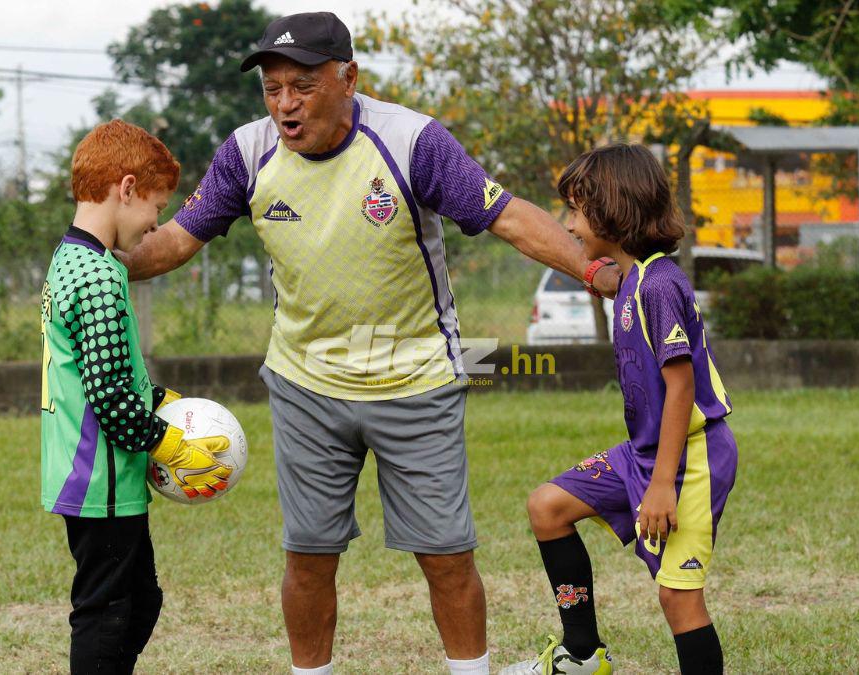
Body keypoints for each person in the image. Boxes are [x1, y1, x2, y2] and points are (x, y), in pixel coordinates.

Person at [118, 12, 622, 675]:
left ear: (348, 78)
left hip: (415, 380)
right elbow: (173, 243)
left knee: (446, 556)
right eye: (272, 89)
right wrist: (91, 252)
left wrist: (591, 270)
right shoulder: (246, 153)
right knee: (308, 557)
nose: (285, 105)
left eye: (302, 87)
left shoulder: (413, 143)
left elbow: (506, 216)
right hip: (304, 384)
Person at [503, 144, 738, 675]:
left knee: (678, 598)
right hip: (644, 452)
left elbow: (681, 387)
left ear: (613, 208)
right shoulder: (630, 279)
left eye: (576, 210)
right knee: (548, 507)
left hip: (690, 459)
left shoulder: (658, 285)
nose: (570, 224)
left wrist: (661, 485)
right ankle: (583, 655)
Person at [40, 119, 234, 673]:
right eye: (156, 207)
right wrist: (171, 444)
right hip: (98, 479)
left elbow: (108, 371)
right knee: (105, 614)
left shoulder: (71, 258)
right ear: (126, 189)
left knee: (140, 602)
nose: (155, 225)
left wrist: (162, 398)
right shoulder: (100, 277)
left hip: (96, 477)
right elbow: (109, 398)